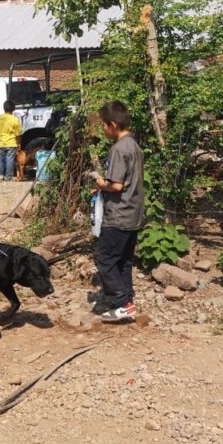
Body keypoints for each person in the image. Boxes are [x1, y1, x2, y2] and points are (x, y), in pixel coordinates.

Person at [90, 100, 145, 323]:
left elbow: (116, 185)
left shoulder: (119, 149)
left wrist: (99, 181)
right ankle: (126, 300)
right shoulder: (135, 146)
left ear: (113, 125)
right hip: (133, 213)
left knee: (104, 258)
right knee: (123, 260)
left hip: (118, 215)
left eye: (103, 126)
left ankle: (120, 301)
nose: (103, 130)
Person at [0, 100, 22, 182]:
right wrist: (18, 142)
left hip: (1, 142)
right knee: (10, 159)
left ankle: (0, 175)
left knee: (1, 160)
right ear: (13, 109)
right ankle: (8, 177)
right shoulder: (15, 120)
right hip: (11, 143)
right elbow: (18, 134)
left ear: (4, 108)